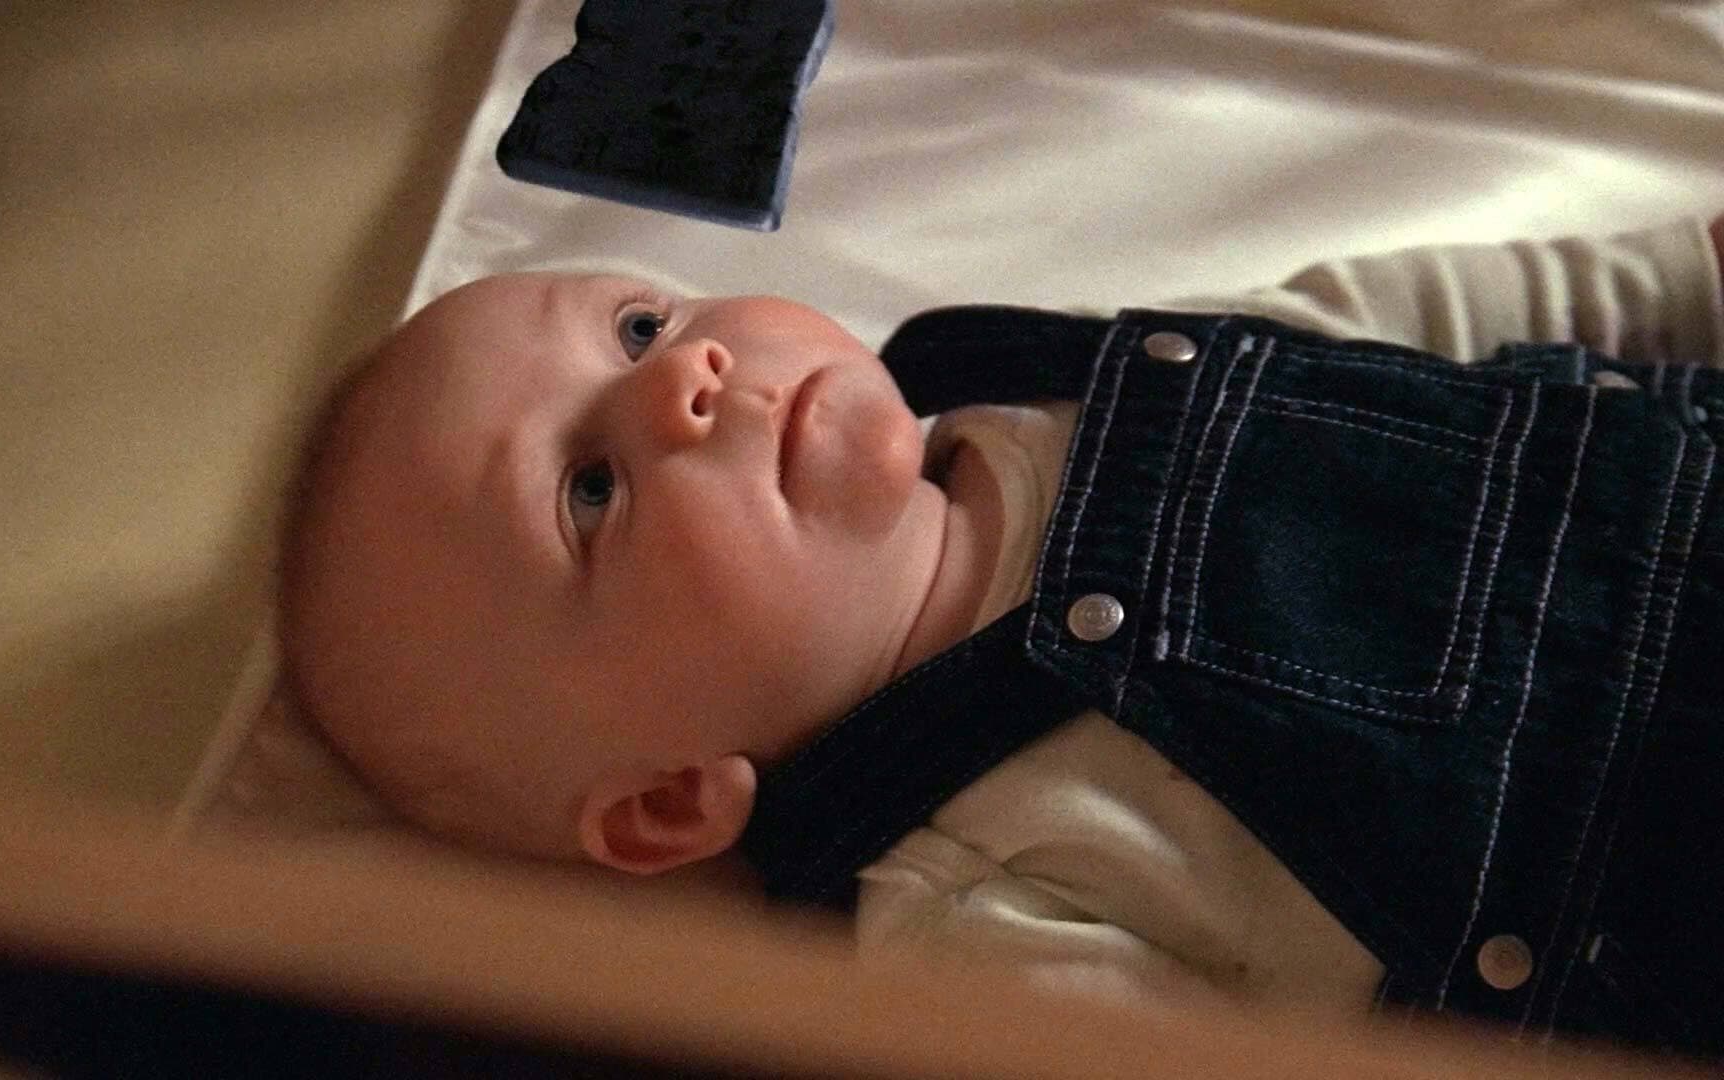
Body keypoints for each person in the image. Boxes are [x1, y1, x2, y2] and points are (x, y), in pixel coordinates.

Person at [277, 215, 1724, 1057]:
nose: (687, 379)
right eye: (589, 491)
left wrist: (1686, 266)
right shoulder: (962, 911)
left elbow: (1400, 326)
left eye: (640, 328)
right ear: (669, 801)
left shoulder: (1053, 373)